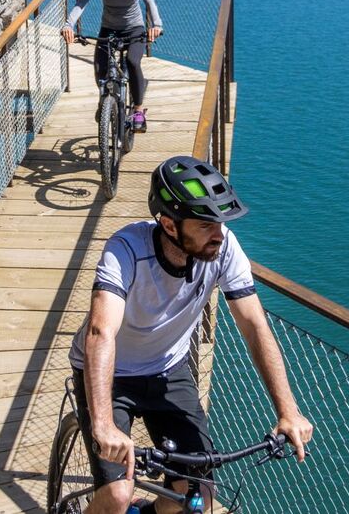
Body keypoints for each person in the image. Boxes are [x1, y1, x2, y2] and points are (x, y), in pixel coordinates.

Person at [67, 155, 314, 514]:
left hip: (167, 369)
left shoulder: (223, 247)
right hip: (112, 374)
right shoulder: (125, 251)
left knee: (197, 495)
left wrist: (288, 411)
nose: (218, 234)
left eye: (219, 223)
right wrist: (103, 424)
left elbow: (254, 325)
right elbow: (100, 331)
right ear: (169, 224)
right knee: (118, 495)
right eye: (204, 225)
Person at [61, 0, 162, 132]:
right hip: (108, 28)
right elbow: (82, 3)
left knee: (133, 62)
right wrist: (68, 25)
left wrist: (156, 25)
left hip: (134, 28)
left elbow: (150, 1)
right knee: (100, 67)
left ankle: (139, 110)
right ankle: (104, 101)